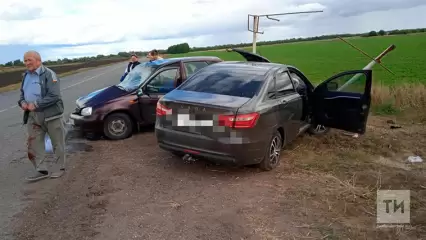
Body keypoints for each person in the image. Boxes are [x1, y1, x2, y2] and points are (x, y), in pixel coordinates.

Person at [18, 50, 67, 182]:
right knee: (34, 143)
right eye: (25, 60)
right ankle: (41, 170)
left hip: (51, 115)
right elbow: (22, 94)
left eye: (29, 60)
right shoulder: (25, 76)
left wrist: (36, 104)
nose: (27, 63)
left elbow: (54, 96)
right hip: (33, 116)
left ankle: (60, 168)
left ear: (38, 60)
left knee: (57, 142)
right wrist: (22, 102)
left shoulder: (49, 74)